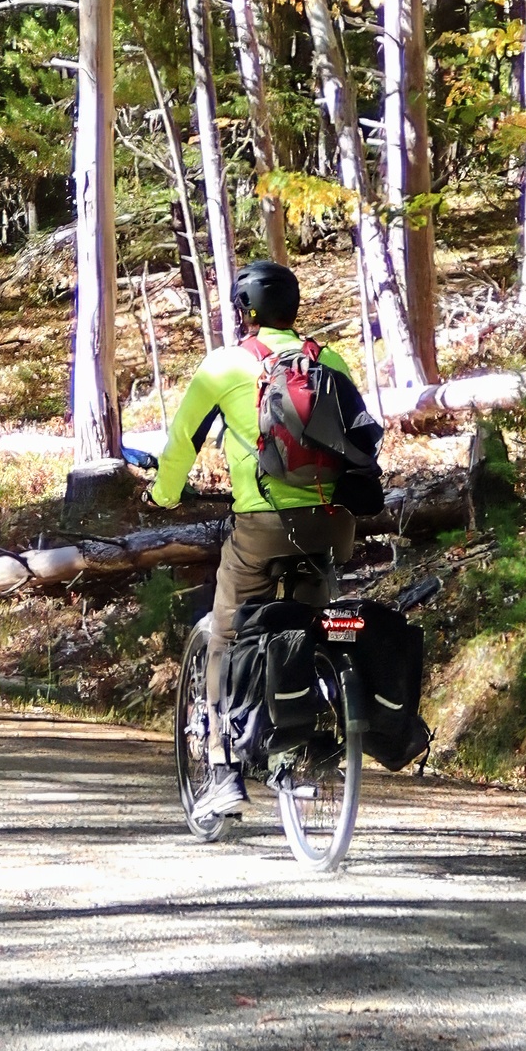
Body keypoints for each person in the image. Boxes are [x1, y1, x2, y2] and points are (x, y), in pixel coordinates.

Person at [144, 260, 375, 826]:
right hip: (332, 523)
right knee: (306, 624)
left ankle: (223, 771)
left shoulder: (223, 367)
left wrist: (163, 497)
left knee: (227, 629)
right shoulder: (330, 360)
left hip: (262, 526)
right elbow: (365, 436)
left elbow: (181, 445)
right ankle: (300, 747)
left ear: (244, 312)